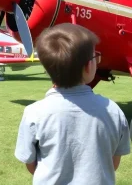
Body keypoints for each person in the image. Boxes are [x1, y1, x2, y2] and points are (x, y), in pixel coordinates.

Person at [14, 23, 131, 185]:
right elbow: (114, 163)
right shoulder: (113, 110)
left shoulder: (33, 113)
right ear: (88, 66)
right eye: (95, 56)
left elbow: (31, 164)